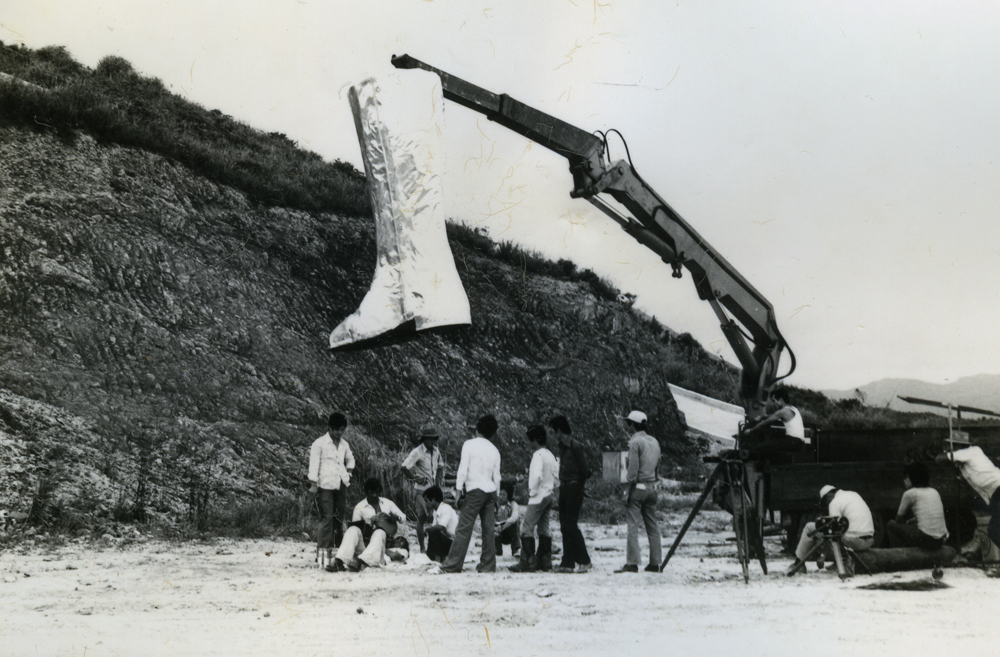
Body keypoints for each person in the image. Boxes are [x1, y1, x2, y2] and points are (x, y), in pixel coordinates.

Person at [438, 414, 502, 573]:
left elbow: (462, 469)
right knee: (488, 530)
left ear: (477, 428)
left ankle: (452, 564)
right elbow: (497, 477)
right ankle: (488, 565)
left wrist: (459, 491)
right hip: (491, 491)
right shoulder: (495, 450)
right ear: (492, 433)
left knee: (464, 528)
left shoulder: (469, 444)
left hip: (475, 490)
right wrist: (498, 497)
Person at [787, 485, 874, 576]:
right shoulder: (853, 494)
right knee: (838, 533)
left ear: (829, 496)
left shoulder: (834, 503)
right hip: (869, 540)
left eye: (825, 502)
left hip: (853, 541)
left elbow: (832, 532)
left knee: (809, 527)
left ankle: (798, 564)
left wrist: (822, 556)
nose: (827, 505)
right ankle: (842, 562)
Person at [616, 410, 662, 574]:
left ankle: (632, 562)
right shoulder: (654, 441)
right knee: (653, 526)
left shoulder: (635, 442)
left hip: (638, 488)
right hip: (652, 487)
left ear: (631, 424)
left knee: (633, 526)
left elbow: (632, 471)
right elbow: (657, 467)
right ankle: (656, 562)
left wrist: (626, 491)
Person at [329, 477, 407, 572]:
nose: (374, 495)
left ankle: (360, 561)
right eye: (371, 493)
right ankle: (339, 561)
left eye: (377, 492)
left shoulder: (387, 503)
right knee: (353, 529)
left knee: (379, 531)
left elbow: (403, 517)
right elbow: (356, 533)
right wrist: (370, 522)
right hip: (365, 546)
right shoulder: (360, 507)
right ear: (366, 492)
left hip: (381, 547)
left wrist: (397, 518)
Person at [308, 412, 355, 564]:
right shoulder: (319, 444)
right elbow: (314, 465)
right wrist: (314, 485)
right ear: (329, 428)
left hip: (340, 485)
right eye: (336, 430)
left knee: (338, 518)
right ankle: (322, 554)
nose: (339, 433)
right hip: (325, 485)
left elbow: (350, 459)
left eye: (342, 430)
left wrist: (348, 473)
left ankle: (337, 553)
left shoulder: (344, 445)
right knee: (326, 518)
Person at [510, 426, 558, 573]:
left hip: (538, 496)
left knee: (526, 529)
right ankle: (545, 560)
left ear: (536, 440)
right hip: (549, 494)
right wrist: (551, 487)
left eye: (531, 440)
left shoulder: (538, 455)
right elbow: (557, 476)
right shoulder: (550, 455)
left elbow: (536, 476)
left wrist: (533, 491)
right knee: (544, 529)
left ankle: (527, 562)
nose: (530, 444)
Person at [549, 415, 593, 574]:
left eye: (555, 431)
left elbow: (585, 470)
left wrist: (578, 487)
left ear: (560, 431)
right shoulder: (563, 446)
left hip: (573, 489)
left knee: (571, 526)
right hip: (564, 488)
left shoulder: (576, 446)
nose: (554, 435)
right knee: (564, 526)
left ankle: (584, 560)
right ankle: (567, 563)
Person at [937, 444, 1000, 550]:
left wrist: (948, 455)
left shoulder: (971, 451)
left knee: (994, 530)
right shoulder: (966, 465)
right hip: (995, 494)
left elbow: (939, 459)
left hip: (998, 490)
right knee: (995, 530)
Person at [401, 424, 446, 553]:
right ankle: (422, 548)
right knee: (422, 517)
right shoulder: (417, 452)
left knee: (437, 517)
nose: (430, 442)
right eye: (427, 439)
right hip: (421, 490)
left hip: (433, 491)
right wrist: (415, 479)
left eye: (432, 439)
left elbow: (441, 466)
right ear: (423, 440)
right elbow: (404, 467)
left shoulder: (436, 451)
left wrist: (438, 481)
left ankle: (435, 547)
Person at [886, 462, 948, 550]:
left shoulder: (910, 493)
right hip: (940, 540)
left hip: (925, 538)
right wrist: (912, 521)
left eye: (907, 477)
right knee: (913, 525)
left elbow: (898, 519)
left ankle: (899, 552)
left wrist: (907, 523)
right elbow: (928, 516)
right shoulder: (934, 491)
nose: (904, 480)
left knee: (891, 524)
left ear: (913, 478)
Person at [740, 402, 806, 461]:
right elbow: (773, 415)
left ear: (780, 399)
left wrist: (750, 430)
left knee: (760, 447)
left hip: (792, 441)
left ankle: (755, 466)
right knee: (768, 444)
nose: (774, 404)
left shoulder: (783, 411)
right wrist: (761, 417)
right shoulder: (793, 408)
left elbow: (764, 423)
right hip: (798, 442)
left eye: (774, 401)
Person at [422, 485, 459, 563]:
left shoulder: (445, 508)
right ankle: (433, 557)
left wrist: (427, 529)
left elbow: (441, 528)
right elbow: (435, 527)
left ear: (433, 499)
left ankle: (435, 558)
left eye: (427, 500)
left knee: (434, 531)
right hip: (447, 540)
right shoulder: (436, 511)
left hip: (454, 543)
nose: (426, 503)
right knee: (433, 531)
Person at [494, 485, 521, 557]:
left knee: (516, 522)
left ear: (508, 496)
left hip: (509, 531)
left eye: (503, 495)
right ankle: (497, 551)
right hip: (497, 531)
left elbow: (514, 517)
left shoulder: (513, 504)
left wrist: (503, 527)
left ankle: (515, 550)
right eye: (499, 494)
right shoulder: (494, 505)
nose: (501, 497)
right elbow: (489, 519)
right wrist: (495, 528)